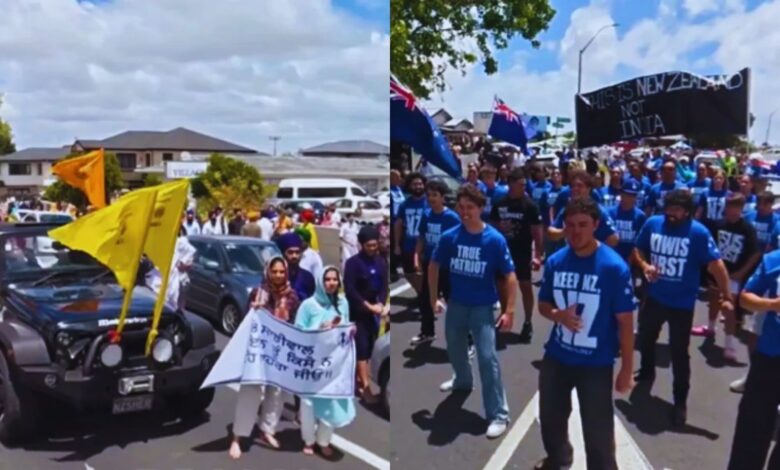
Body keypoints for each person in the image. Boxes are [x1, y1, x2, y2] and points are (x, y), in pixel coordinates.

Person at [535, 198, 635, 470]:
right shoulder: (556, 261)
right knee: (551, 418)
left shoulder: (613, 267)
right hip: (558, 355)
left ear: (596, 225)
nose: (575, 232)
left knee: (598, 432)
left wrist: (627, 368)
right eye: (569, 225)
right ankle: (559, 458)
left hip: (596, 363)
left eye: (583, 225)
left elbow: (626, 322)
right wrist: (557, 315)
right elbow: (543, 303)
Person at [633, 190, 733, 426]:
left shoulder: (697, 232)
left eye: (677, 210)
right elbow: (638, 249)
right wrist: (645, 265)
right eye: (669, 208)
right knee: (645, 339)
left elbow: (716, 265)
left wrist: (727, 296)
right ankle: (647, 371)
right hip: (655, 298)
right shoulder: (653, 223)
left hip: (681, 305)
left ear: (687, 211)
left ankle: (680, 401)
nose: (672, 213)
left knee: (679, 354)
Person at [428, 184, 517, 439]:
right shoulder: (451, 236)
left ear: (480, 208)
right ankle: (462, 381)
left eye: (470, 208)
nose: (465, 212)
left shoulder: (494, 239)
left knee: (487, 358)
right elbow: (433, 266)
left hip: (482, 307)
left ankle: (499, 414)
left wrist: (509, 310)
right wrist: (433, 298)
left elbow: (510, 276)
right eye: (462, 207)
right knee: (454, 348)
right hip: (456, 304)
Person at [228, 256, 300, 459]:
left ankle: (267, 429)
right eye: (274, 271)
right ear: (268, 272)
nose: (278, 275)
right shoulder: (257, 294)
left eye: (281, 272)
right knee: (250, 391)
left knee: (275, 394)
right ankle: (237, 437)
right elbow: (247, 323)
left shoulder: (292, 297)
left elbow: (295, 325)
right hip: (258, 353)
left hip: (279, 353)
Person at [295, 266, 357, 458]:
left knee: (332, 400)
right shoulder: (308, 305)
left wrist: (349, 329)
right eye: (327, 279)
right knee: (307, 403)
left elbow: (345, 324)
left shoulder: (343, 303)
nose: (331, 283)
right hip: (312, 363)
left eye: (334, 279)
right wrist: (318, 328)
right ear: (321, 281)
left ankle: (323, 440)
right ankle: (308, 440)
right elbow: (298, 331)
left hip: (335, 363)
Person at [726, 250, 780, 470]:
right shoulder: (774, 260)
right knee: (752, 427)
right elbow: (746, 298)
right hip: (770, 355)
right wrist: (772, 305)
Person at [692, 194, 761, 358]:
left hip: (735, 274)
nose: (732, 211)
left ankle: (729, 343)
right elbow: (710, 247)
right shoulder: (718, 225)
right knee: (713, 300)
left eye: (736, 207)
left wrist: (741, 273)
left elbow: (755, 253)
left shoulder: (747, 228)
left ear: (741, 208)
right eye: (730, 207)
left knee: (729, 307)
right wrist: (710, 265)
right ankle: (710, 328)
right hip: (717, 271)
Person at [490, 167, 542, 343]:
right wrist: (500, 228)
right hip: (503, 251)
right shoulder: (500, 203)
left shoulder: (530, 205)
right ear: (511, 184)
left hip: (523, 251)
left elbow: (537, 232)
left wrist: (538, 255)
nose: (524, 187)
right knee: (501, 284)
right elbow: (492, 226)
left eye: (525, 184)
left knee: (525, 285)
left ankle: (528, 322)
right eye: (521, 184)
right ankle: (505, 315)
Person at [410, 180, 461, 346]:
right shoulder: (426, 214)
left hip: (446, 267)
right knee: (425, 300)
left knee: (453, 302)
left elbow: (458, 242)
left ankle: (464, 338)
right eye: (429, 195)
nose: (431, 198)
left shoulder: (451, 218)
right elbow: (422, 238)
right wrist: (416, 256)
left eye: (435, 195)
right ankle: (427, 332)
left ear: (443, 198)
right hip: (429, 264)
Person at [344, 225, 388, 403]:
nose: (372, 248)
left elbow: (384, 286)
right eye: (369, 245)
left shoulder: (381, 261)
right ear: (362, 245)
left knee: (371, 347)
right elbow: (350, 290)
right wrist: (368, 306)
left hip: (374, 312)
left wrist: (381, 304)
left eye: (375, 244)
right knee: (361, 349)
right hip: (358, 311)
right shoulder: (353, 263)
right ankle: (365, 388)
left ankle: (360, 379)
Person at [548, 170, 618, 247]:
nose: (575, 189)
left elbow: (614, 238)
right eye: (573, 186)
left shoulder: (598, 210)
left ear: (588, 189)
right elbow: (551, 232)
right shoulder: (567, 209)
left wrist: (595, 250)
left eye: (579, 186)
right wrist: (564, 232)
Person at [145, 226, 198, 311]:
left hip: (173, 284)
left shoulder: (178, 242)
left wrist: (183, 265)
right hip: (156, 285)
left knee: (174, 308)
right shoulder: (152, 242)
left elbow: (191, 254)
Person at [394, 172, 428, 296]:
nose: (418, 186)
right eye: (415, 184)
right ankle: (420, 292)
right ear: (409, 186)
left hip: (425, 245)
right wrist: (397, 245)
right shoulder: (405, 204)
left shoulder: (429, 203)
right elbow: (398, 224)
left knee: (424, 272)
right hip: (408, 245)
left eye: (420, 184)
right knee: (409, 273)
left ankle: (425, 296)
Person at [276, 232, 315, 301]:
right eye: (290, 252)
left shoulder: (307, 277)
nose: (294, 256)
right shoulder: (275, 276)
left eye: (297, 252)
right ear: (283, 253)